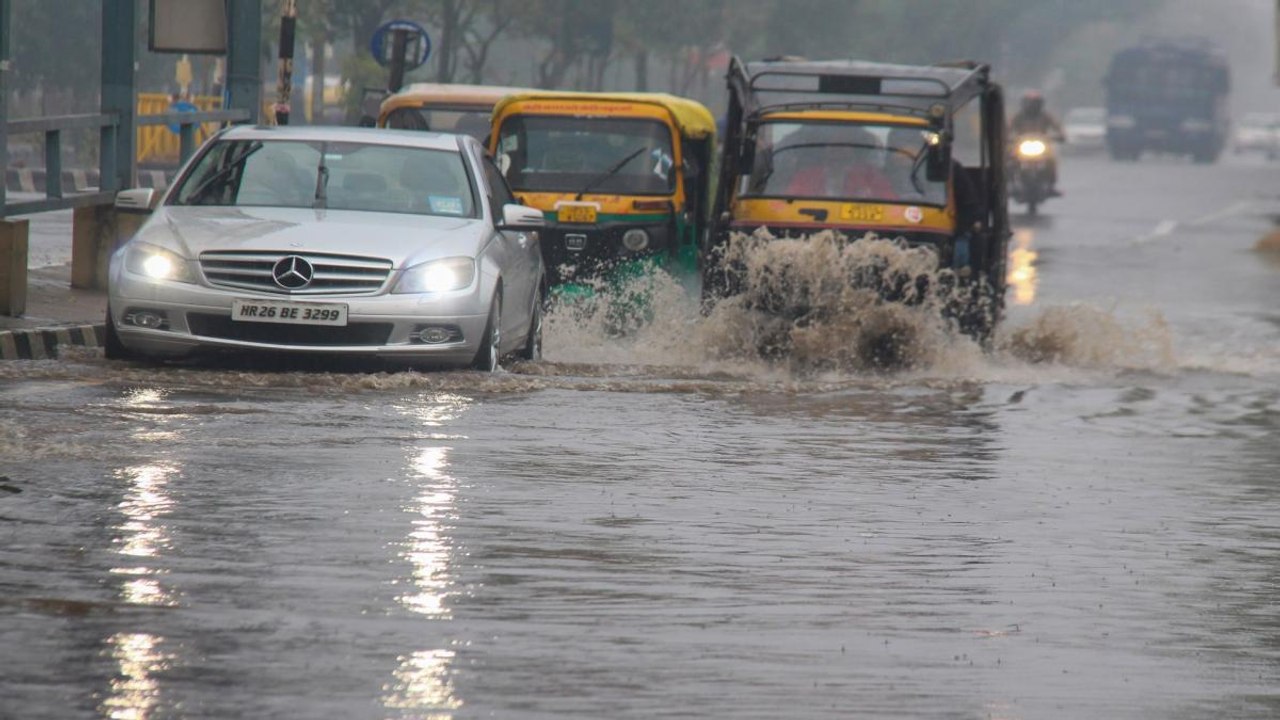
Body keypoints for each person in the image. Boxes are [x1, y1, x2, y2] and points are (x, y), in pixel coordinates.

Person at [1009, 90, 1064, 196]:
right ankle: (1011, 184)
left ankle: (1051, 186)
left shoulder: (1045, 116)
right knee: (1010, 161)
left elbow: (1057, 126)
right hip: (1021, 145)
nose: (1032, 106)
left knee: (1051, 161)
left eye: (1035, 103)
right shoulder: (1018, 116)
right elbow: (1008, 128)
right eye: (1029, 103)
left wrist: (1061, 136)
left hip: (1042, 145)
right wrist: (1005, 137)